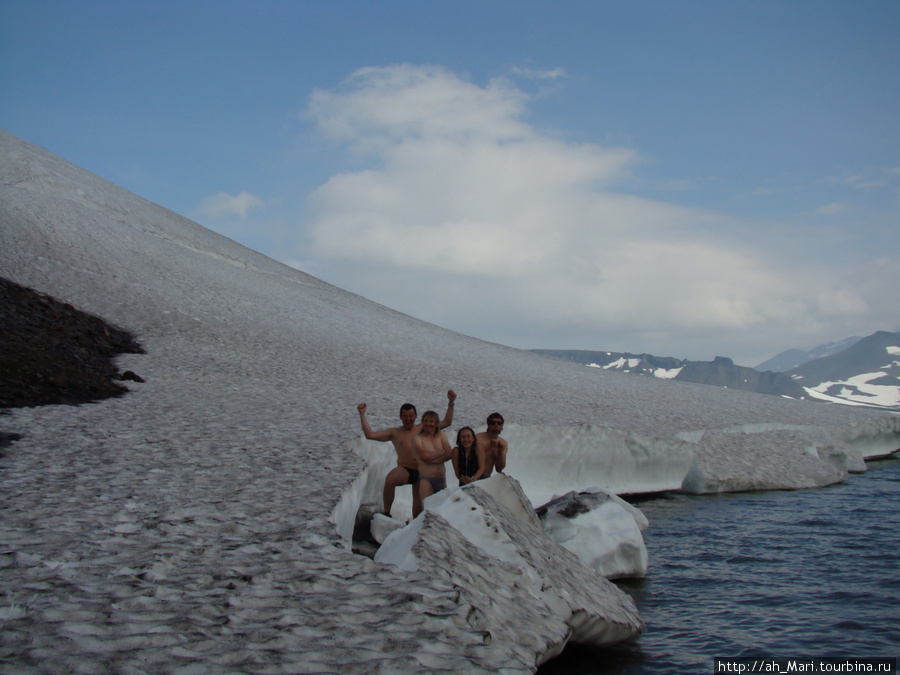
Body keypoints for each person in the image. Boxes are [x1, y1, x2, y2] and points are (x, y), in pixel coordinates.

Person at [357, 390, 456, 517]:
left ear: (415, 416)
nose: (408, 419)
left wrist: (451, 403)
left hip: (422, 472)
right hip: (405, 470)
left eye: (410, 416)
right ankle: (386, 513)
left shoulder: (423, 428)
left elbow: (446, 422)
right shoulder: (395, 433)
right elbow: (370, 435)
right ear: (401, 417)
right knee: (390, 479)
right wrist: (362, 415)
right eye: (405, 416)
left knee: (418, 509)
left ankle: (415, 527)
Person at [411, 410, 452, 516]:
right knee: (428, 511)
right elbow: (424, 456)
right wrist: (440, 452)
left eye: (431, 421)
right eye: (425, 421)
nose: (428, 424)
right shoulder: (417, 438)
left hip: (441, 479)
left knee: (442, 511)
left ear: (436, 423)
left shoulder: (441, 435)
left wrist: (433, 459)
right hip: (426, 480)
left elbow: (449, 453)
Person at [475, 412, 508, 479]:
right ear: (488, 425)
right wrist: (491, 449)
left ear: (502, 426)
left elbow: (499, 469)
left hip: (487, 478)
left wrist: (500, 452)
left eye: (499, 423)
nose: (496, 425)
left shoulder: (503, 443)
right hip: (474, 476)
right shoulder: (478, 438)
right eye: (493, 423)